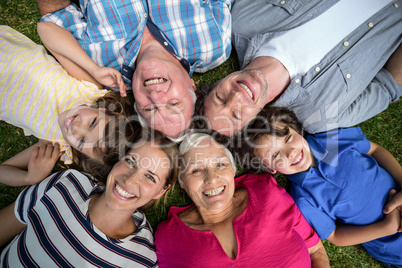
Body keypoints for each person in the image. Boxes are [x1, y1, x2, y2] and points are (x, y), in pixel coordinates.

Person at [198, 0, 402, 136]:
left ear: (217, 82)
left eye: (220, 98)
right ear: (254, 121)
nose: (236, 97)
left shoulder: (245, 17)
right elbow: (388, 86)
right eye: (236, 115)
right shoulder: (321, 113)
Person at [35, 0, 233, 138]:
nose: (156, 96)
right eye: (173, 104)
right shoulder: (213, 45)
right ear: (193, 86)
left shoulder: (101, 62)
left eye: (149, 108)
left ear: (137, 104)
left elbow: (52, 18)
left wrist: (93, 70)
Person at [240, 106, 402, 266]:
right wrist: (387, 227)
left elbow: (374, 150)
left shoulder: (331, 139)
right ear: (270, 169)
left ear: (296, 130)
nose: (290, 152)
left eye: (288, 138)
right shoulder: (302, 198)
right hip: (392, 243)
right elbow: (335, 235)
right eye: (275, 155)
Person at [0, 131, 179, 267]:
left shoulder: (142, 260)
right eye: (131, 161)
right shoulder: (65, 183)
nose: (130, 180)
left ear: (161, 191)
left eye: (150, 177)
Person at [154, 133, 330, 267]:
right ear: (182, 182)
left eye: (220, 165)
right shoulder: (169, 237)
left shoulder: (266, 192)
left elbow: (315, 249)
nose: (212, 179)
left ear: (232, 170)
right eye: (196, 170)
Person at [0, 25, 135, 186]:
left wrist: (30, 178)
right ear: (104, 110)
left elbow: (4, 169)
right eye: (92, 123)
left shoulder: (55, 144)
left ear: (77, 151)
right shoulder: (88, 90)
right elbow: (45, 29)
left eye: (82, 141)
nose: (77, 127)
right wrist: (93, 69)